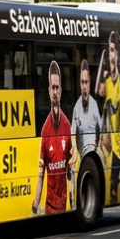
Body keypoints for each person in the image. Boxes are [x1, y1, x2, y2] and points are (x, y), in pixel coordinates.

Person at [33, 60, 73, 215]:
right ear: (49, 90)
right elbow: (41, 174)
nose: (55, 92)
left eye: (57, 88)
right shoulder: (45, 130)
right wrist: (36, 202)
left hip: (64, 205)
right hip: (50, 206)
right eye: (53, 88)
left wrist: (72, 198)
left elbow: (70, 170)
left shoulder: (67, 126)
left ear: (61, 90)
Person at [96, 31, 120, 204]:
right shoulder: (107, 82)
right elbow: (98, 93)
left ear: (118, 53)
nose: (111, 55)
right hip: (111, 146)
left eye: (113, 50)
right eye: (108, 50)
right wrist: (102, 68)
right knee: (112, 188)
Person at [72, 59, 102, 165]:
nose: (84, 87)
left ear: (89, 82)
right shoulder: (77, 108)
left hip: (94, 156)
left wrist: (97, 143)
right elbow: (72, 134)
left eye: (86, 82)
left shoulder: (94, 105)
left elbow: (102, 130)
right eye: (82, 82)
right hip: (82, 158)